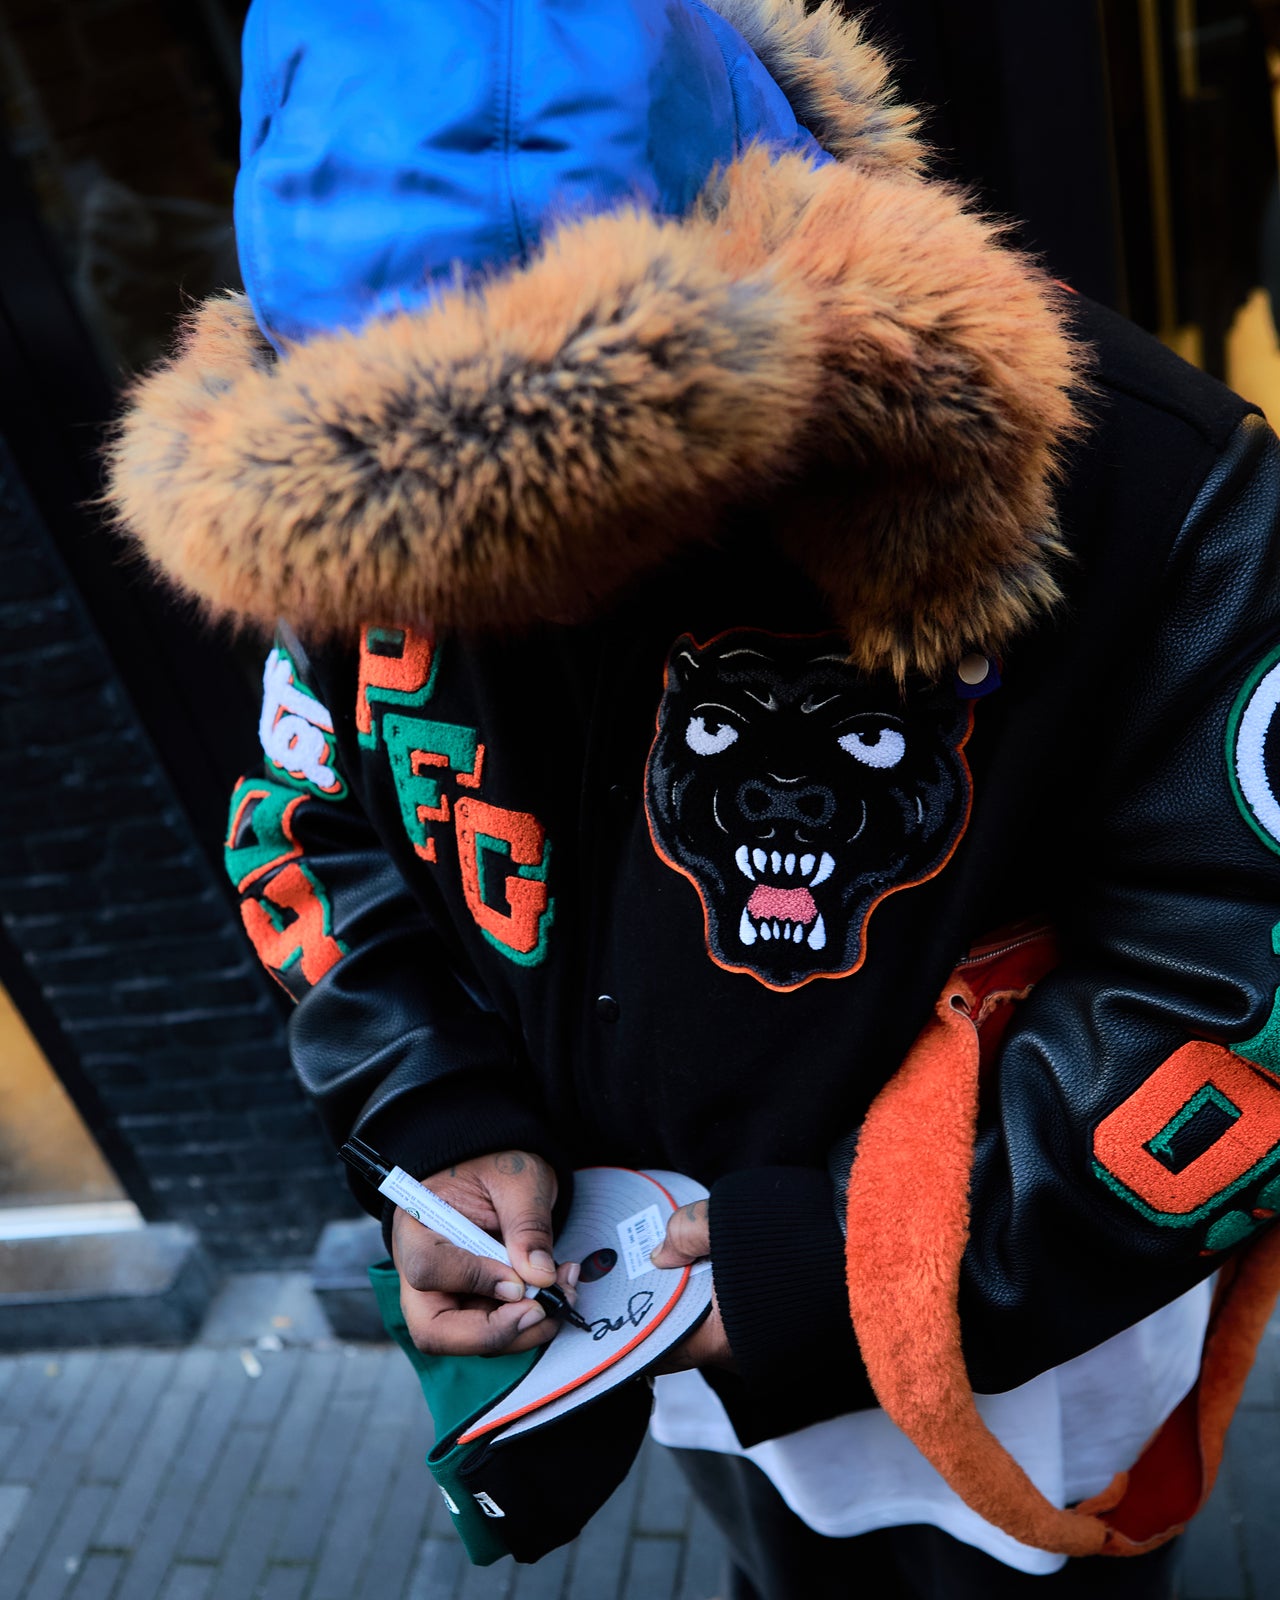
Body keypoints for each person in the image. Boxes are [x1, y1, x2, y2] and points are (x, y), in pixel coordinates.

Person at [106, 0, 1280, 1593]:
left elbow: (1244, 952)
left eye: (600, 513)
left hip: (1017, 1356)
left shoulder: (1147, 478)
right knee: (777, 1560)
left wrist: (869, 1263)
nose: (531, 604)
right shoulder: (332, 474)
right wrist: (433, 1116)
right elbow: (309, 816)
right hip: (648, 1328)